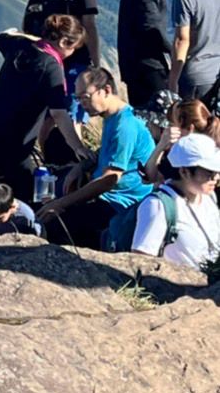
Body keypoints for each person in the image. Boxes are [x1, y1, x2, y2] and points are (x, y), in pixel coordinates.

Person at [0, 16, 90, 202]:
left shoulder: (19, 44)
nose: (71, 53)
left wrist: (35, 38)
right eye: (72, 47)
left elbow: (4, 34)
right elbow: (59, 114)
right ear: (62, 42)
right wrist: (78, 147)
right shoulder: (52, 67)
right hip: (15, 142)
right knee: (25, 191)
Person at [36, 68, 154, 248]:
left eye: (85, 97)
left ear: (106, 90)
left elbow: (109, 179)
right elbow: (110, 154)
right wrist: (82, 166)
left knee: (55, 225)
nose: (82, 103)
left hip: (121, 203)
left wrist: (62, 203)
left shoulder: (124, 126)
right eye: (78, 98)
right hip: (110, 196)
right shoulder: (112, 117)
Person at [132, 133, 220, 270]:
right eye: (210, 173)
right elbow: (140, 261)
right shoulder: (158, 206)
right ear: (184, 172)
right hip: (177, 288)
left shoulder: (209, 197)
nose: (216, 177)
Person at [116, 0, 179, 110]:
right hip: (149, 66)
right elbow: (149, 24)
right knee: (162, 120)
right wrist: (174, 51)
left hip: (132, 65)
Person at [167, 0, 220, 103]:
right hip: (217, 72)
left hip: (196, 77)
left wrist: (173, 80)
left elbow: (182, 40)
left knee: (193, 128)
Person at [143, 98, 220, 183]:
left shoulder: (186, 156)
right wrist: (162, 146)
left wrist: (161, 145)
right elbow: (150, 177)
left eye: (172, 124)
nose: (167, 129)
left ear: (190, 129)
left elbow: (151, 178)